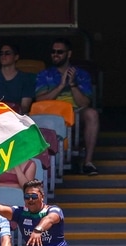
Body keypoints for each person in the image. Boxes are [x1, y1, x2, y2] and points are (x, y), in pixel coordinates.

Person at [36, 38, 100, 175]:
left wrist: (72, 84)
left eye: (60, 52)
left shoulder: (81, 74)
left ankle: (88, 162)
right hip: (52, 114)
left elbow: (85, 103)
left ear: (69, 54)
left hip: (76, 112)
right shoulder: (44, 74)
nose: (55, 54)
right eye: (53, 52)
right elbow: (39, 101)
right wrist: (60, 86)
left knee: (92, 114)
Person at [0, 44, 36, 114]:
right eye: (1, 53)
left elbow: (25, 107)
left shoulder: (25, 79)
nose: (3, 56)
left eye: (7, 53)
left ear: (16, 57)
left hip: (17, 118)